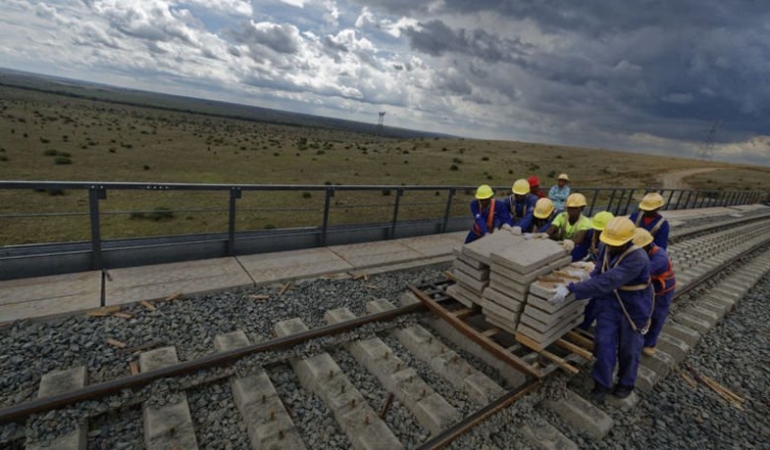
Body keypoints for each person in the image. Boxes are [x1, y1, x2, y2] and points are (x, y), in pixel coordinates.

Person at [550, 217, 652, 402]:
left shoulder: (638, 258)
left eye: (615, 244)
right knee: (604, 343)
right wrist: (583, 279)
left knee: (629, 348)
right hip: (609, 302)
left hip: (633, 305)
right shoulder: (607, 246)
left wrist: (572, 288)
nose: (610, 247)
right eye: (608, 243)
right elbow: (599, 271)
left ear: (627, 241)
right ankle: (602, 383)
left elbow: (609, 280)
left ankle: (626, 382)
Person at [633, 228, 676, 357]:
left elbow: (641, 273)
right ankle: (636, 336)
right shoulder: (643, 252)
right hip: (648, 286)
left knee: (657, 315)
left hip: (662, 290)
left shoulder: (659, 257)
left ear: (647, 245)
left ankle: (649, 344)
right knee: (641, 311)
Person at [578, 211, 615, 332]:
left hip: (610, 278)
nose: (598, 233)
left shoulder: (614, 244)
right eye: (597, 230)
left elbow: (611, 268)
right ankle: (581, 324)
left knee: (597, 302)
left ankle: (584, 328)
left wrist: (594, 268)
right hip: (597, 268)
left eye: (601, 231)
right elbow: (584, 248)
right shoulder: (593, 234)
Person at [545, 193, 592, 261]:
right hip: (563, 243)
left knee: (569, 257)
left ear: (581, 209)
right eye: (569, 208)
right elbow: (553, 227)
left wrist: (572, 242)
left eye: (574, 209)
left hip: (576, 246)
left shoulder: (586, 222)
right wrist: (546, 234)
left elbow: (580, 238)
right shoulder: (562, 216)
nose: (571, 211)